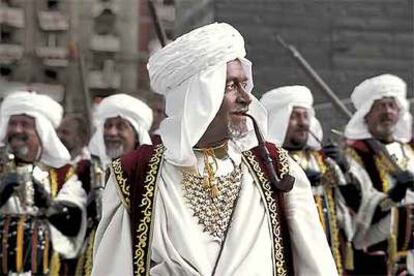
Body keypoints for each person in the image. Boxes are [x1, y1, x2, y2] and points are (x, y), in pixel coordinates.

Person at [92, 22, 337, 276]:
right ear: (196, 96)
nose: (247, 98)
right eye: (231, 86)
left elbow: (317, 268)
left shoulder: (276, 167)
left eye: (245, 84)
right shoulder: (134, 175)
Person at [260, 85, 357, 274]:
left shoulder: (320, 159)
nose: (303, 123)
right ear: (278, 120)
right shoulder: (268, 162)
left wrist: (344, 168)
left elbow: (354, 204)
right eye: (294, 116)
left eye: (305, 116)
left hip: (331, 253)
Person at [0, 91, 87, 275]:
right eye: (13, 123)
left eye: (25, 124)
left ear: (42, 131)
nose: (17, 130)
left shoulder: (62, 174)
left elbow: (73, 225)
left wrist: (49, 205)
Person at [75, 93, 153, 276]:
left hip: (133, 254)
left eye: (120, 126)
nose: (111, 133)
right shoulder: (86, 169)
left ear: (136, 134)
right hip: (94, 255)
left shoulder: (149, 172)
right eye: (108, 125)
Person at [344, 74, 414, 275]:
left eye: (392, 106)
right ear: (366, 114)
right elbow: (356, 210)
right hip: (376, 259)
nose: (388, 112)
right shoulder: (355, 155)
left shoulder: (409, 152)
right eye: (380, 106)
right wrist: (394, 197)